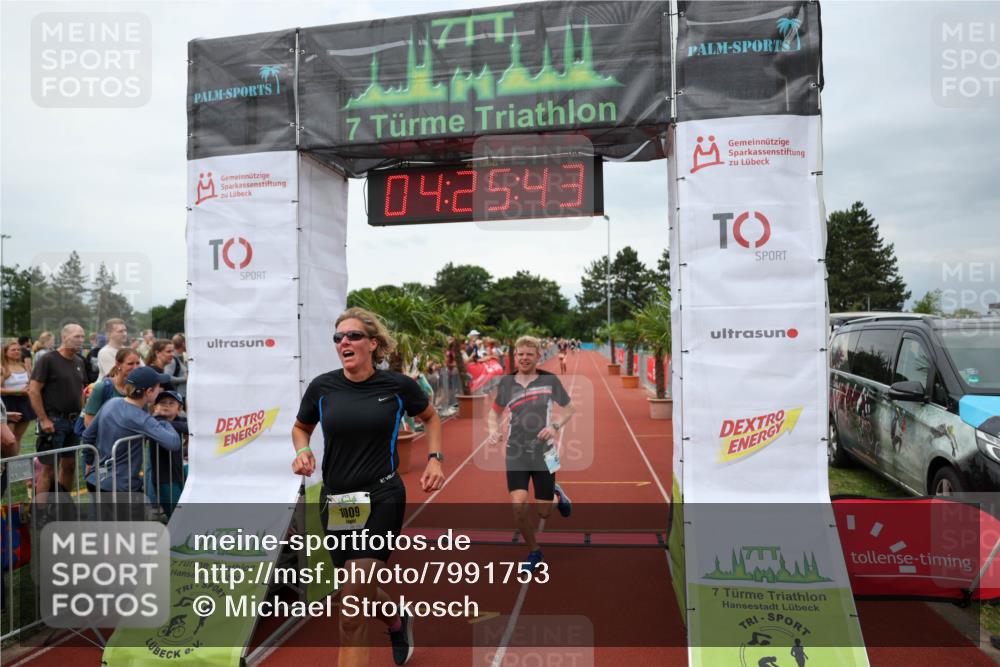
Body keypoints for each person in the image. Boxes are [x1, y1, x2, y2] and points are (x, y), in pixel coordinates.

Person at [291, 307, 445, 667]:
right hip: (339, 500)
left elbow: (431, 417)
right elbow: (301, 427)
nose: (344, 341)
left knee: (350, 610)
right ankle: (396, 618)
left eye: (353, 336)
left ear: (373, 344)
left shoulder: (397, 387)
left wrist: (435, 456)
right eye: (338, 337)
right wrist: (302, 451)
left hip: (382, 497)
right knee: (353, 588)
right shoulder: (323, 387)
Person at [487, 335, 576, 572]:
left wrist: (554, 427)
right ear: (515, 356)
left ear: (538, 356)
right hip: (515, 452)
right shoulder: (507, 383)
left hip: (545, 453)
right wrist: (493, 431)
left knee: (544, 512)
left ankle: (557, 495)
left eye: (529, 354)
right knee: (518, 506)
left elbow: (569, 409)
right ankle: (534, 551)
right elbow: (494, 413)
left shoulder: (550, 380)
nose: (524, 358)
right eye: (520, 354)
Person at [81, 366, 181, 507]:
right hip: (121, 486)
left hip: (96, 479)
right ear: (149, 392)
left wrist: (89, 461)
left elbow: (88, 435)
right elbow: (173, 443)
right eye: (158, 387)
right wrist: (163, 421)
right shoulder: (142, 419)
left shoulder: (112, 403)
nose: (160, 390)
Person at [27, 324, 88, 496]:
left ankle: (63, 509)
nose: (81, 340)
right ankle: (40, 514)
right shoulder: (48, 360)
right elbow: (33, 390)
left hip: (74, 422)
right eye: (77, 336)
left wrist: (82, 416)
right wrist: (43, 419)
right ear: (65, 337)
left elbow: (80, 391)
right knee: (49, 469)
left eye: (83, 336)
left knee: (69, 466)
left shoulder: (79, 361)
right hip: (54, 421)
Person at [148, 390, 188, 518]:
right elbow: (160, 425)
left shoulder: (180, 420)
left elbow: (190, 427)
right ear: (155, 407)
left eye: (171, 403)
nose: (166, 405)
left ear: (179, 408)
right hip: (164, 478)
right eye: (162, 403)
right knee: (176, 514)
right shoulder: (155, 421)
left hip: (180, 473)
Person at [82, 348, 143, 429]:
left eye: (138, 363)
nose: (135, 367)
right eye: (130, 364)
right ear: (118, 364)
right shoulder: (101, 388)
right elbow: (88, 422)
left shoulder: (139, 388)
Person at [1, 338, 36, 451]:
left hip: (24, 403)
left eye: (18, 349)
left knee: (18, 437)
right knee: (8, 439)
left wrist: (30, 388)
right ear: (5, 352)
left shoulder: (24, 366)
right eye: (13, 350)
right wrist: (18, 391)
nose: (17, 352)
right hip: (8, 403)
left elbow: (30, 382)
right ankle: (6, 463)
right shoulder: (3, 368)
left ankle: (15, 464)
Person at [164, 334, 188, 398]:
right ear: (183, 344)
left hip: (181, 395)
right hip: (178, 396)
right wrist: (185, 379)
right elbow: (167, 377)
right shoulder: (172, 359)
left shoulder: (180, 356)